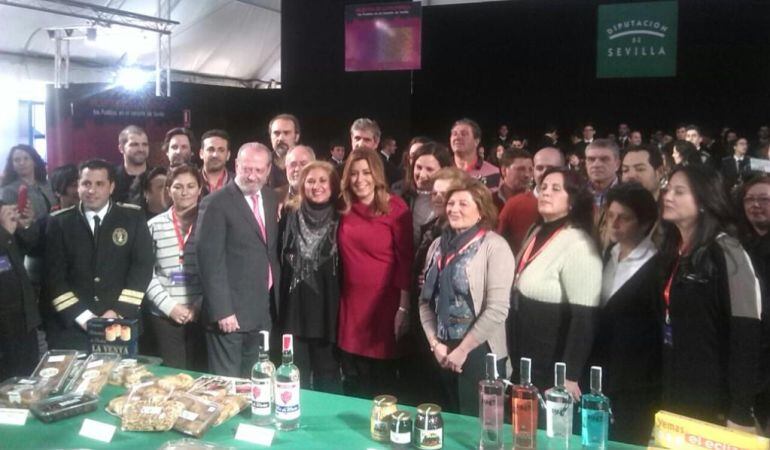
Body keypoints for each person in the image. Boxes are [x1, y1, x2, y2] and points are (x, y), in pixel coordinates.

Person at [659, 164, 761, 432]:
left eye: (679, 192)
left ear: (704, 201)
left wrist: (740, 410)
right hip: (676, 388)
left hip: (714, 400)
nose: (668, 196)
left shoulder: (727, 250)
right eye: (668, 189)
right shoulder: (675, 250)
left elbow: (747, 333)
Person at [420, 178, 514, 415]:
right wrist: (434, 343)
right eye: (451, 203)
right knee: (446, 423)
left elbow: (497, 309)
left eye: (463, 203)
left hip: (480, 352)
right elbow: (425, 301)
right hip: (442, 349)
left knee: (477, 429)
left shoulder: (495, 246)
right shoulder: (437, 245)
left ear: (481, 210)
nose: (454, 209)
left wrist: (463, 350)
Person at [512, 167, 602, 399]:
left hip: (551, 366)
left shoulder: (578, 243)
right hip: (525, 355)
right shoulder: (538, 230)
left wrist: (569, 377)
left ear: (573, 200)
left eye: (556, 188)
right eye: (543, 187)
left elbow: (584, 318)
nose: (546, 193)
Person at [45, 159, 154, 351]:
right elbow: (54, 278)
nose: (91, 190)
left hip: (121, 324)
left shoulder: (132, 218)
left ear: (111, 187)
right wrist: (86, 318)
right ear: (78, 186)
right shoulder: (59, 223)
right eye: (86, 184)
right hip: (72, 327)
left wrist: (116, 313)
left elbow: (142, 269)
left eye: (99, 184)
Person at [195, 142, 280, 377]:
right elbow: (208, 262)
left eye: (258, 170)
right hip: (229, 317)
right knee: (227, 386)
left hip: (262, 313)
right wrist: (223, 311)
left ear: (268, 170)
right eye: (246, 169)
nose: (252, 176)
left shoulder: (271, 198)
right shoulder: (215, 203)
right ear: (236, 166)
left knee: (256, 381)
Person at [337, 148, 413, 399]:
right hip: (351, 306)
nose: (360, 179)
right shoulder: (343, 208)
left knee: (383, 385)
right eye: (354, 173)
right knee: (354, 381)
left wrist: (403, 308)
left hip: (385, 306)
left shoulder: (396, 208)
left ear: (377, 174)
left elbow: (405, 262)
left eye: (366, 172)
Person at [591, 183, 661, 444]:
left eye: (624, 217)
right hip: (602, 373)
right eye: (610, 216)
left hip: (636, 383)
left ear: (645, 223)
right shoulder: (608, 253)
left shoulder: (656, 266)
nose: (615, 223)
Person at [278, 161, 342, 393]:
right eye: (311, 181)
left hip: (328, 314)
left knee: (329, 378)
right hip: (294, 313)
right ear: (302, 185)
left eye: (323, 180)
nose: (317, 186)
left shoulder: (343, 218)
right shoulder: (287, 214)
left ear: (333, 185)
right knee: (295, 380)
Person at [145, 164, 206, 370]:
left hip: (201, 313)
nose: (185, 192)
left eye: (191, 186)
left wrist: (198, 305)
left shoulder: (211, 224)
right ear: (169, 189)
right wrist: (170, 307)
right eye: (178, 186)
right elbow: (145, 273)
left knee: (201, 375)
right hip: (164, 316)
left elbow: (217, 270)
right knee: (172, 375)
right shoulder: (153, 225)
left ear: (200, 189)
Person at [737, 176, 770, 433]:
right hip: (753, 350)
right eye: (750, 199)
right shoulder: (739, 244)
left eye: (764, 199)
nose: (756, 205)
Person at [0, 200, 40, 380]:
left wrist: (26, 224)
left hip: (23, 318)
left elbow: (30, 245)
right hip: (4, 325)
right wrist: (4, 233)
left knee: (28, 380)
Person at [497, 147, 564, 254]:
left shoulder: (576, 205)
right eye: (539, 168)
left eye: (550, 168)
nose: (544, 173)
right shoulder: (514, 205)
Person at [401, 142, 453, 245]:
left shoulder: (453, 201)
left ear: (444, 170)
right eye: (419, 167)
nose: (422, 175)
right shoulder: (401, 194)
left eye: (429, 169)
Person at [450, 118, 500, 192]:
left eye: (464, 134)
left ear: (476, 141)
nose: (457, 137)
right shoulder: (441, 170)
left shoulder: (493, 173)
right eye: (454, 134)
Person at [113, 125, 150, 204]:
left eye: (144, 144)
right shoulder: (111, 179)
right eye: (134, 145)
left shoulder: (158, 177)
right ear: (121, 148)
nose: (141, 149)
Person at [275, 145, 315, 210]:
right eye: (293, 164)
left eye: (303, 164)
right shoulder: (274, 196)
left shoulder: (324, 195)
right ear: (286, 167)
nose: (297, 169)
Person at [267, 113, 300, 188]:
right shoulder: (261, 163)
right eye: (276, 133)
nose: (281, 138)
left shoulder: (308, 165)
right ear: (270, 136)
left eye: (286, 133)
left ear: (296, 137)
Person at [198, 129, 234, 196]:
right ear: (201, 153)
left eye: (221, 150)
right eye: (211, 149)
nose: (215, 155)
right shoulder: (190, 180)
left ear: (228, 155)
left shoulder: (237, 183)